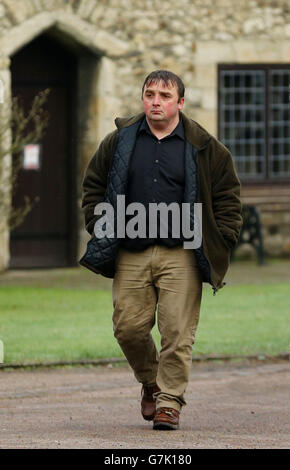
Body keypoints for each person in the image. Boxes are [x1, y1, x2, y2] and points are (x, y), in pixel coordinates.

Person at [79, 70, 242, 430]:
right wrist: (102, 226)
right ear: (143, 98)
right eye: (150, 94)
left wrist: (223, 237)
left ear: (180, 103)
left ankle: (169, 402)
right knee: (128, 329)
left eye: (165, 96)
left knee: (177, 332)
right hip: (131, 250)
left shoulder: (205, 146)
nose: (156, 101)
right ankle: (152, 383)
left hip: (182, 252)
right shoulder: (119, 141)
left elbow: (228, 197)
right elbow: (92, 187)